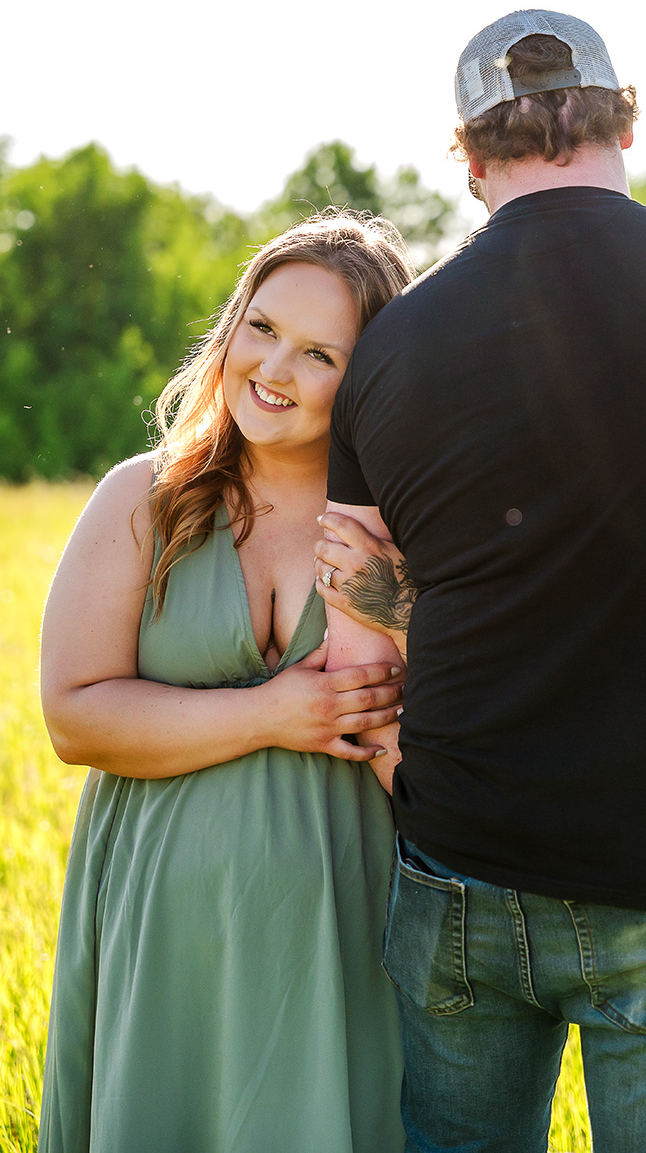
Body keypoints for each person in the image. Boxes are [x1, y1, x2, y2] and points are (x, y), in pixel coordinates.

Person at [316, 10, 646, 1153]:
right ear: (624, 123)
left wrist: (427, 781)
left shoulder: (388, 349)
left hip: (456, 871)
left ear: (467, 157)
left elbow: (357, 654)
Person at [37, 210, 415, 1153]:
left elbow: (450, 729)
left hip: (348, 928)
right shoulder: (144, 498)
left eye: (319, 354)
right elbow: (74, 717)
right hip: (164, 927)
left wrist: (402, 607)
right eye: (262, 327)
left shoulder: (401, 526)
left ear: (369, 377)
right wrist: (272, 713)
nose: (273, 368)